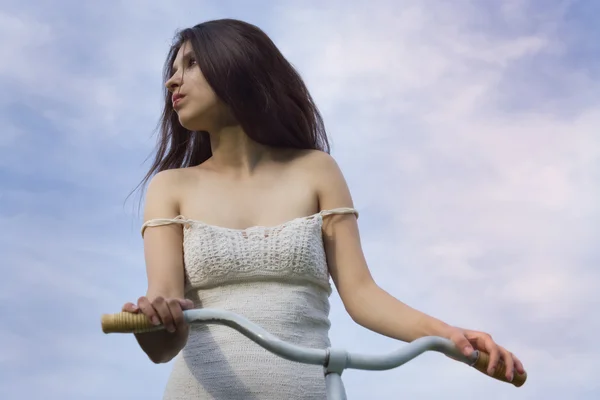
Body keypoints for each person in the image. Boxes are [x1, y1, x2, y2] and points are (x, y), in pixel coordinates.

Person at [122, 18, 525, 399]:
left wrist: (448, 336)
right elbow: (164, 341)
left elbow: (362, 294)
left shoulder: (316, 171)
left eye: (191, 63)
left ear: (236, 65)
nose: (173, 79)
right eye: (173, 69)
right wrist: (155, 318)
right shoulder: (170, 187)